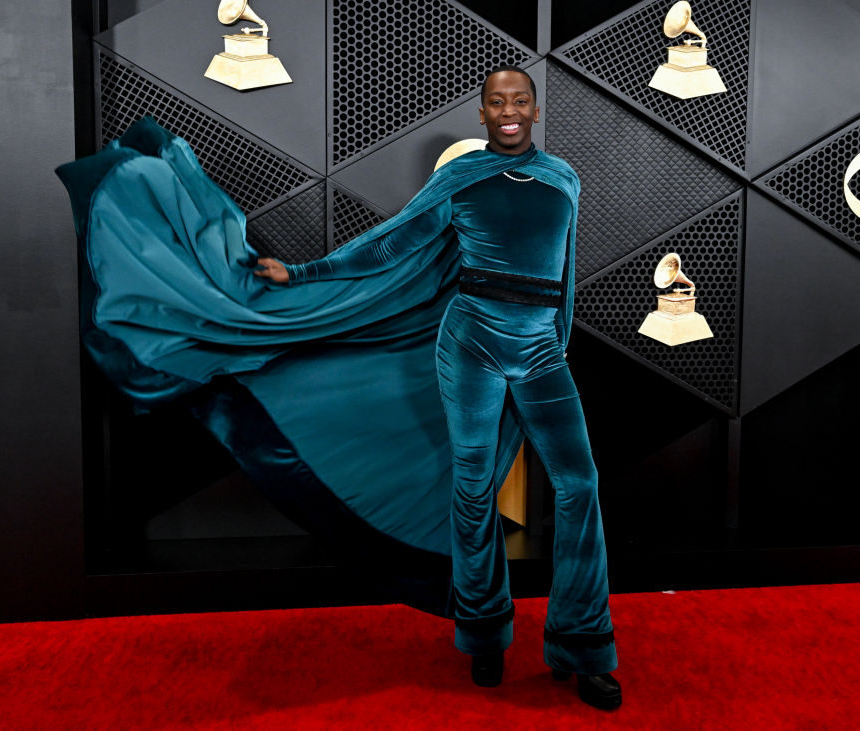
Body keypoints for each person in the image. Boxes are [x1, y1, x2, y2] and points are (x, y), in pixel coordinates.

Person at [254, 66, 620, 710]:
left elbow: (564, 275)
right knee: (473, 487)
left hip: (540, 349)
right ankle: (484, 633)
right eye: (497, 102)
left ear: (535, 110)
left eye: (520, 100)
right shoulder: (460, 178)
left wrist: (556, 345)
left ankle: (582, 644)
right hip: (472, 344)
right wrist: (304, 274)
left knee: (580, 483)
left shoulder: (564, 177)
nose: (509, 110)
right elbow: (390, 242)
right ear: (482, 114)